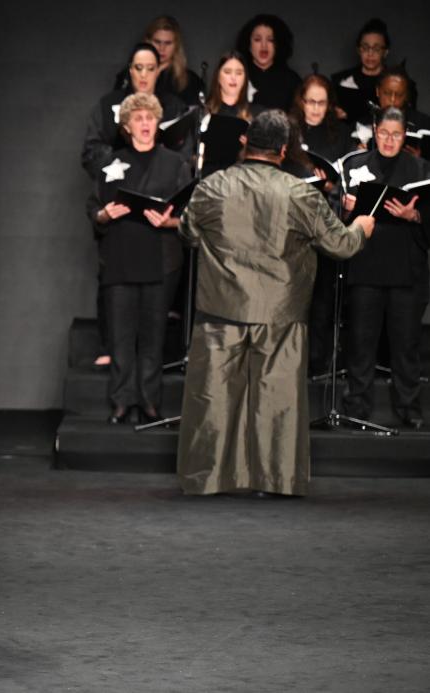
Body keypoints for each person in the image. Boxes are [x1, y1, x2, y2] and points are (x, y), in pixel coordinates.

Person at [176, 110, 374, 497]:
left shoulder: (213, 186)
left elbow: (188, 233)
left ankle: (208, 477)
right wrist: (361, 228)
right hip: (280, 311)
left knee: (214, 396)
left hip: (221, 307)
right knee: (276, 396)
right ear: (283, 150)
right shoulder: (300, 193)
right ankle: (276, 480)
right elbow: (341, 245)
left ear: (246, 142)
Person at [86, 93, 192, 423]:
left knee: (152, 336)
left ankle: (149, 401)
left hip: (161, 261)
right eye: (138, 118)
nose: (145, 123)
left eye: (150, 117)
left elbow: (191, 214)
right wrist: (104, 214)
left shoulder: (175, 163)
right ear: (127, 126)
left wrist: (170, 222)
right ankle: (122, 400)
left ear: (158, 123)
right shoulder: (111, 162)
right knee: (120, 335)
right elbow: (93, 208)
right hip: (119, 257)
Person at [341, 107, 430, 429]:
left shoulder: (421, 169)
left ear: (405, 136)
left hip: (406, 270)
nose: (389, 140)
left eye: (396, 134)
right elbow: (337, 219)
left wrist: (414, 216)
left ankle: (408, 406)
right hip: (365, 265)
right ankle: (357, 404)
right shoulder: (355, 165)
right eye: (383, 133)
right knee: (361, 342)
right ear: (374, 131)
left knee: (406, 344)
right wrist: (346, 209)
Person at [288, 74, 356, 373]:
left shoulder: (339, 134)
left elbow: (348, 179)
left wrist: (330, 185)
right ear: (301, 102)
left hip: (325, 220)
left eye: (321, 103)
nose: (315, 108)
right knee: (292, 293)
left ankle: (317, 361)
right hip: (292, 222)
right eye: (310, 102)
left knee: (322, 296)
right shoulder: (289, 130)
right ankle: (290, 359)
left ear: (329, 105)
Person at [82, 43, 187, 178]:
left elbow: (185, 153)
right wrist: (119, 165)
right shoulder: (108, 105)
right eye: (138, 68)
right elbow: (91, 152)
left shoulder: (174, 107)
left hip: (165, 181)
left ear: (157, 71)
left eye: (150, 68)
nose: (144, 74)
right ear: (131, 70)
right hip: (118, 180)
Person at [199, 52, 259, 177]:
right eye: (227, 72)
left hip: (241, 178)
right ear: (218, 76)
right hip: (208, 178)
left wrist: (251, 149)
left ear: (245, 78)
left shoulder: (255, 115)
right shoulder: (203, 112)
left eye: (239, 73)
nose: (233, 78)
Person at [235, 14, 301, 111]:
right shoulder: (236, 76)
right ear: (248, 44)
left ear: (278, 44)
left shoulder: (292, 81)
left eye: (270, 40)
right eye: (257, 40)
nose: (264, 46)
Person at [332, 19, 392, 125]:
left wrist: (350, 114)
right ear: (358, 50)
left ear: (385, 52)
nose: (370, 53)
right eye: (365, 47)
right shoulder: (341, 81)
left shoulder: (396, 83)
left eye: (376, 48)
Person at [142, 16, 205, 106]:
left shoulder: (191, 81)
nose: (162, 48)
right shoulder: (130, 75)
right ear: (148, 41)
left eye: (168, 43)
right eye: (157, 42)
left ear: (176, 45)